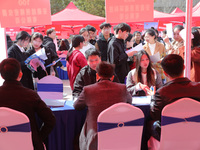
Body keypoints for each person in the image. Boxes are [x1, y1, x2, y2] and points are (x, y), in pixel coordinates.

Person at [74, 61, 132, 150]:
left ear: (97, 76)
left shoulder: (88, 90)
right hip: (118, 132)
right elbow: (129, 101)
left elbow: (77, 106)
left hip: (94, 138)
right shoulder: (122, 88)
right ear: (112, 77)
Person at [0, 58, 56, 150]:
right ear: (20, 74)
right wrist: (38, 138)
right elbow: (50, 120)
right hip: (30, 145)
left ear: (1, 76)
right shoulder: (30, 95)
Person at [150, 54, 200, 142]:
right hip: (196, 135)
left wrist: (152, 97)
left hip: (171, 138)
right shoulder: (198, 88)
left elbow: (155, 115)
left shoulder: (162, 92)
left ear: (165, 73)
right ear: (184, 67)